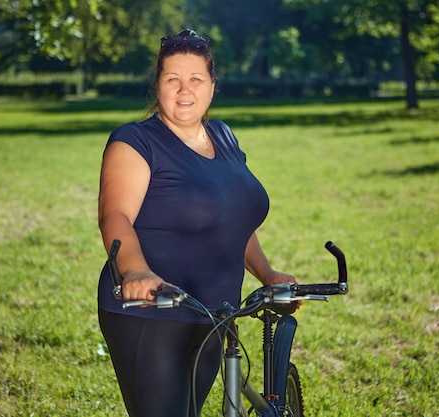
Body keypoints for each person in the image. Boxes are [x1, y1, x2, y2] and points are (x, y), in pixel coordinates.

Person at [97, 28, 296, 417]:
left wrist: (267, 273)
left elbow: (232, 221)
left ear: (212, 85)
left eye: (195, 79)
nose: (184, 90)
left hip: (215, 313)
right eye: (172, 79)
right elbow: (114, 215)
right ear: (158, 85)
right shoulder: (135, 142)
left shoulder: (223, 135)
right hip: (152, 312)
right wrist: (135, 270)